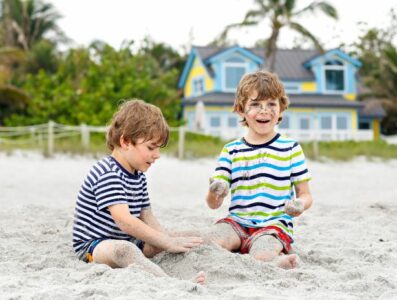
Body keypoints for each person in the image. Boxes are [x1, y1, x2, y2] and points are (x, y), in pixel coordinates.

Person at [72, 99, 205, 284]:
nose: (157, 155)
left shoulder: (138, 173)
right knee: (126, 251)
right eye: (151, 147)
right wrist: (165, 242)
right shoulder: (108, 172)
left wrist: (166, 239)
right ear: (125, 141)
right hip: (94, 246)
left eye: (158, 148)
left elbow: (146, 215)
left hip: (128, 240)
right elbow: (124, 221)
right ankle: (170, 282)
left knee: (183, 235)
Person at [205, 71, 313, 269]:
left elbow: (305, 194)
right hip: (236, 222)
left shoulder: (291, 148)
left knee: (262, 255)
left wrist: (299, 205)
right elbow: (213, 204)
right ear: (240, 110)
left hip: (273, 225)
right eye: (255, 104)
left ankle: (277, 262)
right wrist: (214, 193)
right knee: (210, 242)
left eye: (271, 104)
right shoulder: (231, 150)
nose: (264, 111)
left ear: (281, 109)